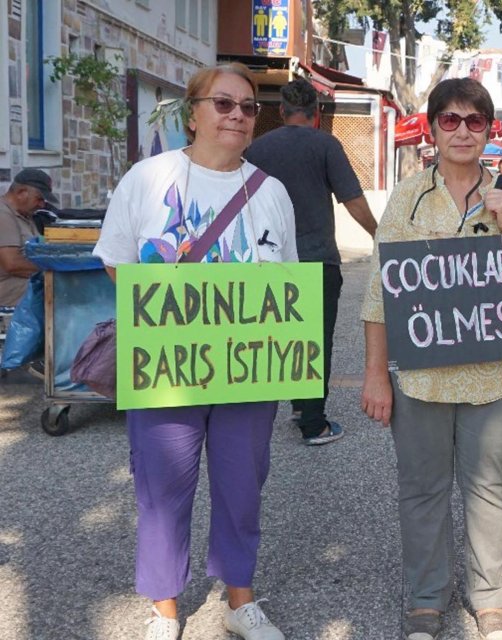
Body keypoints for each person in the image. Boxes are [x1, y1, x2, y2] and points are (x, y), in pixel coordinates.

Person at [93, 63, 295, 640]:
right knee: (162, 490)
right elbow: (116, 262)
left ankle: (240, 602)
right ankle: (164, 610)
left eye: (249, 107)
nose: (237, 115)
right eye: (223, 103)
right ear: (193, 113)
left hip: (248, 373)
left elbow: (287, 285)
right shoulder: (147, 178)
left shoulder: (271, 191)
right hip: (167, 368)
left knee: (241, 488)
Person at [360, 78, 502, 640]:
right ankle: (426, 599)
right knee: (422, 490)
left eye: (475, 120)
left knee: (490, 489)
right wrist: (375, 375)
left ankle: (488, 598)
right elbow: (380, 290)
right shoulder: (407, 197)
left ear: (489, 129)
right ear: (432, 128)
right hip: (421, 378)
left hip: (495, 375)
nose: (462, 131)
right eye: (450, 120)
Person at [245, 77, 378, 446]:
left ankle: (298, 404)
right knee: (316, 339)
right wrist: (378, 234)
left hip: (269, 262)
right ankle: (313, 422)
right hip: (317, 260)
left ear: (282, 111)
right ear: (316, 113)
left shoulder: (257, 149)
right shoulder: (326, 145)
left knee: (282, 335)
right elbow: (352, 200)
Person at [0, 169, 57, 306]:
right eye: (39, 199)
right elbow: (12, 264)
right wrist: (54, 270)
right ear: (21, 192)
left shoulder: (25, 214)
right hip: (9, 293)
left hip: (25, 287)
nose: (42, 205)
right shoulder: (3, 215)